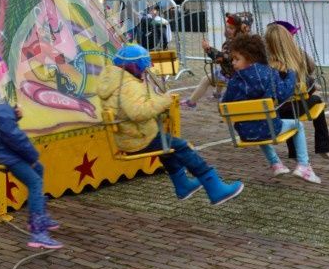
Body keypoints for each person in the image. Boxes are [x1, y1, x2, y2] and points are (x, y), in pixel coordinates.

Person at [97, 43, 243, 204]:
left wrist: (154, 95)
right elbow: (138, 112)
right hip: (139, 138)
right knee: (183, 147)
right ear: (134, 67)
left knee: (167, 147)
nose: (144, 71)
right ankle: (215, 188)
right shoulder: (127, 86)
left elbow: (132, 106)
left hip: (130, 135)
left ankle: (182, 185)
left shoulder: (115, 81)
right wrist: (164, 100)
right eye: (143, 68)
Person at [0, 53, 61, 249]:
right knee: (34, 180)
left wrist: (12, 116)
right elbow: (14, 136)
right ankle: (38, 232)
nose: (4, 77)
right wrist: (31, 155)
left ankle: (40, 214)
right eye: (1, 74)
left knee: (38, 169)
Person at [220, 33, 321, 183]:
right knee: (297, 125)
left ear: (250, 57)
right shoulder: (269, 72)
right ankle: (304, 166)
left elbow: (224, 104)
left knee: (257, 124)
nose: (233, 63)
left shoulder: (234, 81)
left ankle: (276, 164)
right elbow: (284, 93)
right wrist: (291, 74)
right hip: (271, 129)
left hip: (245, 133)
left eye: (236, 59)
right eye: (233, 59)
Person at [265, 22, 329, 162]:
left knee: (289, 112)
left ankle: (294, 152)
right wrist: (297, 50)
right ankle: (323, 146)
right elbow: (311, 69)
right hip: (294, 108)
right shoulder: (295, 62)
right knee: (317, 100)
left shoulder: (267, 65)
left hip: (276, 111)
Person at [182, 11, 253, 108]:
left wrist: (208, 49)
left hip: (233, 74)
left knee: (208, 79)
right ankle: (216, 94)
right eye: (227, 27)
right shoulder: (238, 39)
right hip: (228, 70)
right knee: (218, 72)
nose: (228, 30)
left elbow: (224, 57)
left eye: (231, 28)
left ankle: (191, 102)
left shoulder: (236, 43)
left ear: (239, 30)